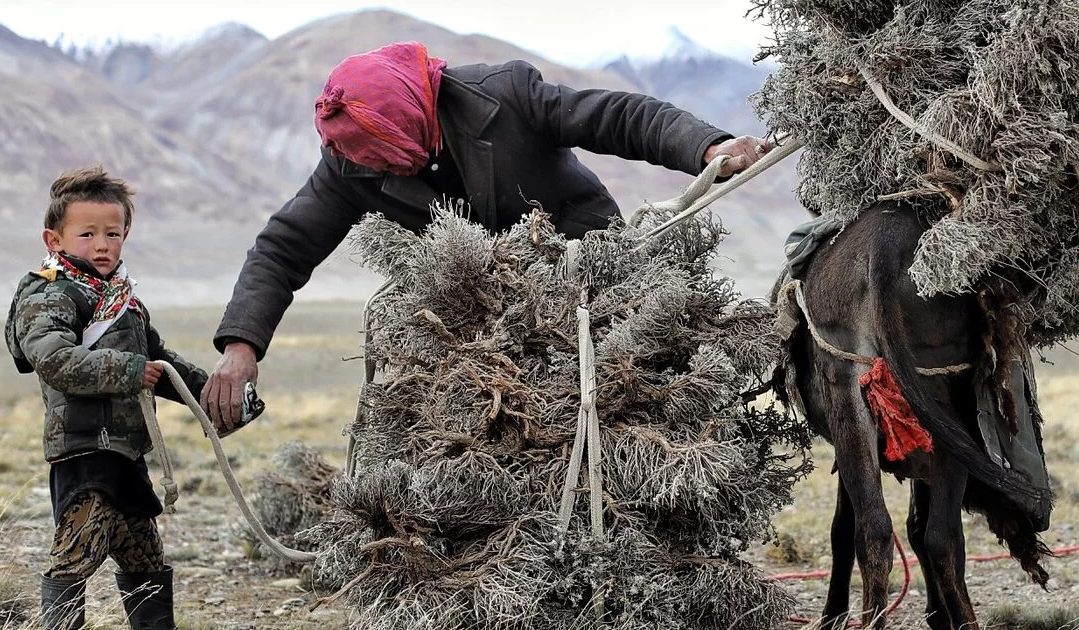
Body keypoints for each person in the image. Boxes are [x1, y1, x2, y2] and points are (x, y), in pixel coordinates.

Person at [202, 42, 773, 430]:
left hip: (586, 278)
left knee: (629, 409)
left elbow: (618, 116)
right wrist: (240, 348)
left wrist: (705, 146)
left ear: (416, 111)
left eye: (398, 157)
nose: (392, 172)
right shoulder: (352, 159)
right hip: (476, 323)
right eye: (381, 165)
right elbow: (283, 247)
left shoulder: (504, 95)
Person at [5, 167, 221, 630]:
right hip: (82, 446)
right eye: (87, 234)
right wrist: (130, 370)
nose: (102, 244)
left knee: (141, 544)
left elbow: (159, 362)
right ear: (53, 239)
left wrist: (217, 397)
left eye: (113, 232)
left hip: (123, 446)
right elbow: (55, 359)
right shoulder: (49, 294)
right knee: (80, 543)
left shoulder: (121, 301)